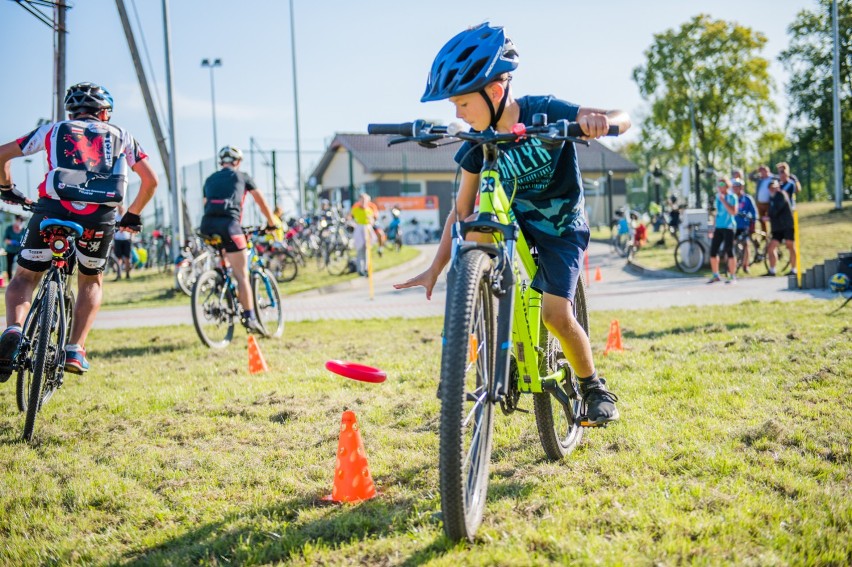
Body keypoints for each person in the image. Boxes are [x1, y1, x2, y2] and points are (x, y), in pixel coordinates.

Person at [394, 23, 630, 426]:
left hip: (561, 227)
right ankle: (474, 344)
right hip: (515, 223)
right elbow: (462, 210)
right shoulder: (477, 142)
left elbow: (620, 117)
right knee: (476, 229)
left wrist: (601, 124)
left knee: (555, 314)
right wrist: (437, 268)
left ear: (495, 92)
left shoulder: (545, 111)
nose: (457, 114)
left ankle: (593, 386)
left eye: (462, 104)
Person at [0, 81, 158, 378]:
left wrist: (6, 187)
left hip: (52, 209)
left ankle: (14, 330)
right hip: (100, 217)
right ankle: (75, 349)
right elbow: (150, 181)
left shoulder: (52, 129)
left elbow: (1, 155)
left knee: (24, 277)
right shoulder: (123, 135)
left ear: (71, 112)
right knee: (91, 281)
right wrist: (133, 216)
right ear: (104, 113)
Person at [199, 146, 279, 333]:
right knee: (242, 274)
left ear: (221, 162)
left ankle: (221, 282)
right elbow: (261, 201)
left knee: (226, 262)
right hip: (230, 226)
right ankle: (250, 319)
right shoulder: (242, 176)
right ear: (238, 161)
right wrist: (271, 222)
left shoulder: (210, 179)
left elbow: (206, 204)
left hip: (207, 226)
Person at [763, 179, 797, 277]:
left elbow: (777, 209)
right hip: (777, 227)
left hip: (786, 225)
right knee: (771, 247)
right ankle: (772, 270)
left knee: (790, 245)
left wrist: (769, 216)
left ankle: (793, 269)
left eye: (774, 187)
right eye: (770, 188)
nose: (772, 189)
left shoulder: (781, 195)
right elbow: (771, 211)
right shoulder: (772, 198)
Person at [707, 177, 738, 284]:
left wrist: (724, 200)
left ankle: (732, 275)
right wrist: (712, 227)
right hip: (719, 227)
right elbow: (717, 214)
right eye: (718, 185)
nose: (720, 187)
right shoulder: (717, 198)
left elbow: (733, 212)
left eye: (722, 185)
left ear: (726, 186)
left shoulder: (732, 197)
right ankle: (716, 274)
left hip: (729, 227)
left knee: (729, 250)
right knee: (713, 251)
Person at [349, 192, 379, 276]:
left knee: (367, 250)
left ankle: (366, 268)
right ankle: (360, 269)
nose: (363, 202)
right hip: (359, 229)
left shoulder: (370, 209)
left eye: (365, 200)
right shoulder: (355, 209)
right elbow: (350, 217)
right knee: (360, 250)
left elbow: (373, 220)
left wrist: (371, 221)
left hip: (367, 229)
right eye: (362, 200)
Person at [731, 179, 757, 274]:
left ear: (741, 187)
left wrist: (752, 222)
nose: (736, 189)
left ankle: (745, 265)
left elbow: (754, 212)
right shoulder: (731, 198)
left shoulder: (747, 199)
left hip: (744, 225)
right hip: (733, 226)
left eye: (738, 187)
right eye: (734, 187)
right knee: (731, 244)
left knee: (746, 244)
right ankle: (732, 265)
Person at [113, 204, 133, 279]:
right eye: (119, 208)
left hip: (126, 239)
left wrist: (131, 237)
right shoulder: (115, 217)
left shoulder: (127, 217)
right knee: (118, 258)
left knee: (127, 258)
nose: (120, 209)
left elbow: (131, 228)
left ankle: (128, 274)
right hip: (118, 240)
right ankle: (119, 274)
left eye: (122, 208)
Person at [3, 215, 25, 281]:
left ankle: (19, 279)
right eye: (17, 221)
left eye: (20, 221)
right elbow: (5, 239)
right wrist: (12, 242)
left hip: (20, 251)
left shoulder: (24, 230)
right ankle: (10, 280)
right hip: (10, 251)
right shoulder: (9, 228)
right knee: (9, 266)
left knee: (20, 266)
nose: (18, 222)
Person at [753, 165, 774, 233]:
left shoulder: (773, 178)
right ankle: (764, 234)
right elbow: (750, 177)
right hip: (760, 203)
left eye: (763, 171)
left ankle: (774, 233)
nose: (762, 173)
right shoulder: (760, 179)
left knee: (772, 218)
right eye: (761, 172)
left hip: (769, 203)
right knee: (761, 220)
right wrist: (756, 170)